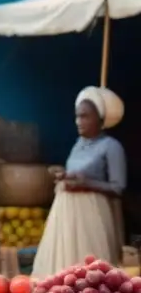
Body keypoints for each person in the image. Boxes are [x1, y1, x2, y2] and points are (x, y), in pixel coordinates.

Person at [33, 87, 126, 277]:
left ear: (100, 119)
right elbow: (76, 173)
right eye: (77, 116)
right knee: (62, 266)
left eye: (85, 116)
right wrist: (63, 175)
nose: (79, 122)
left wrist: (87, 184)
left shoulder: (111, 147)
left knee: (88, 271)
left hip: (91, 215)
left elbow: (118, 187)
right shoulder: (78, 144)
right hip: (66, 213)